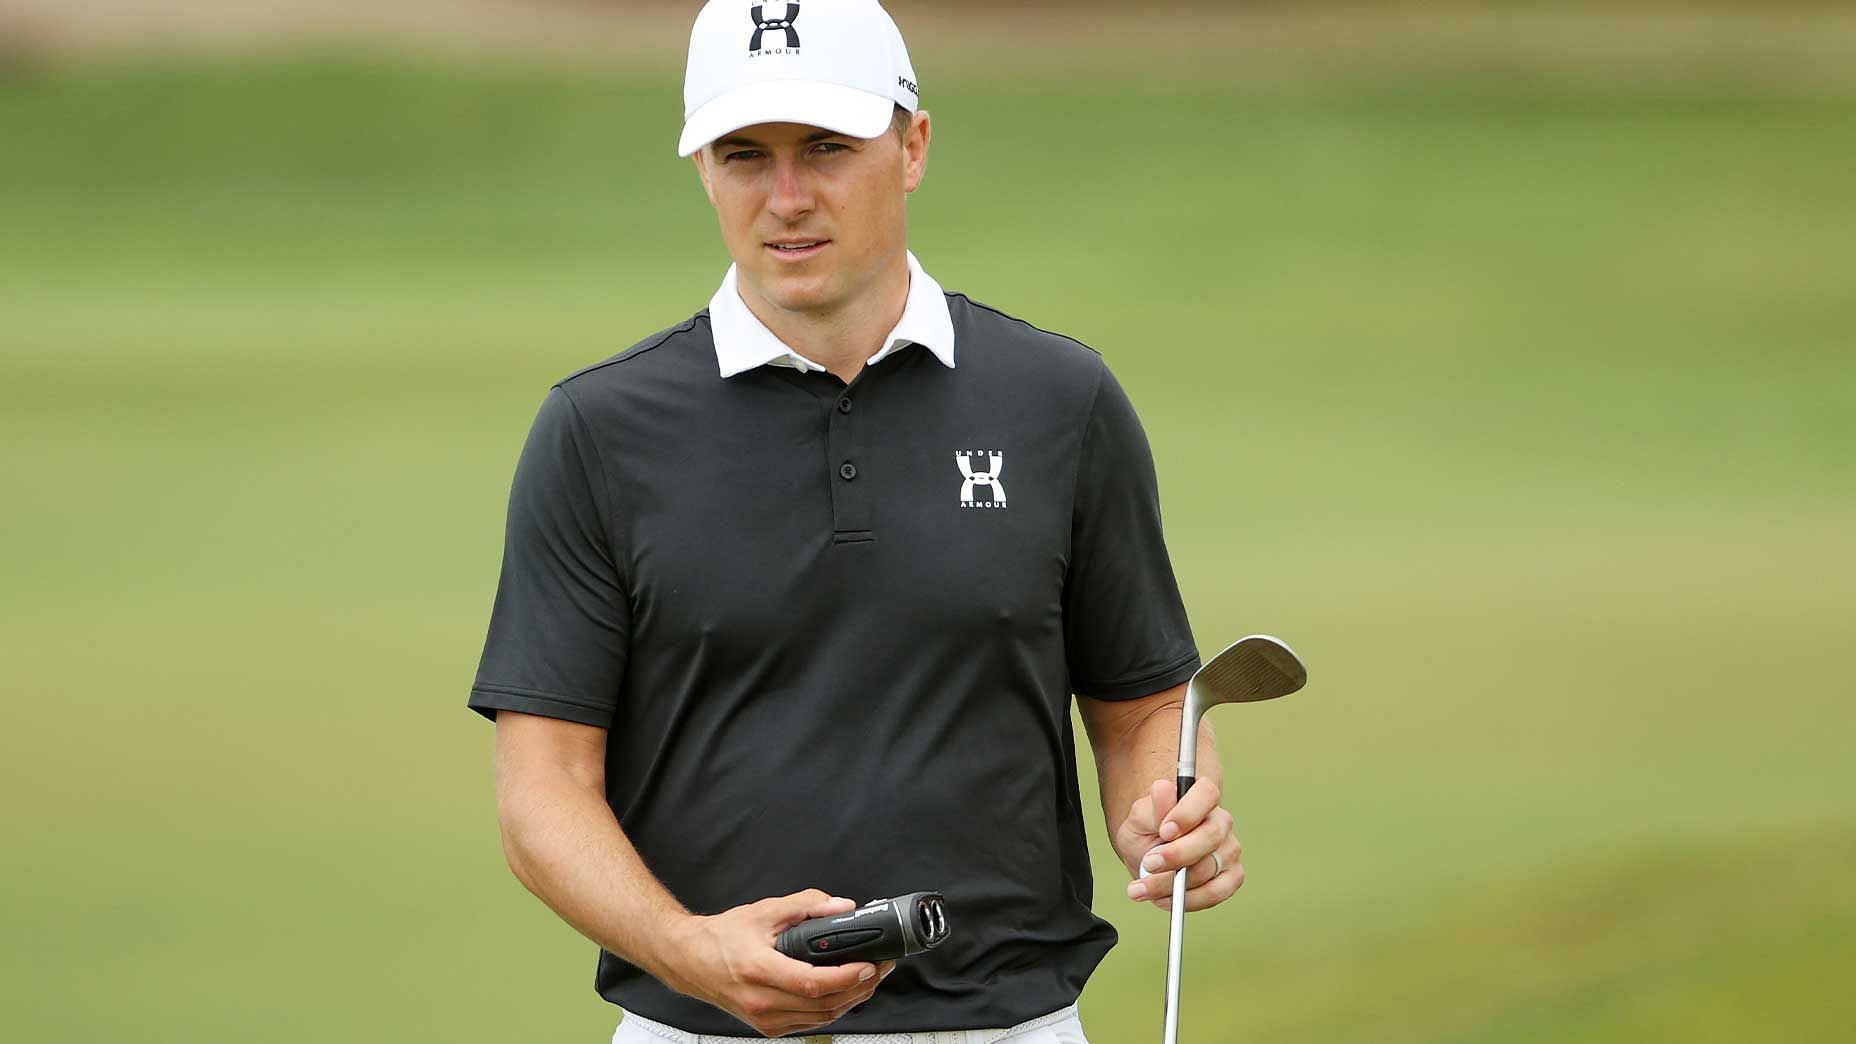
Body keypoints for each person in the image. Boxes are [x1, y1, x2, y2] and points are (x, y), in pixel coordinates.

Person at [467, 2, 1244, 1041]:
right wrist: (691, 951)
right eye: (745, 155)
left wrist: (1161, 816)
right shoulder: (599, 432)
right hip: (702, 1031)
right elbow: (541, 795)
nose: (786, 198)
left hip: (1006, 1025)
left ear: (911, 144)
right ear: (701, 166)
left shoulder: (1057, 401)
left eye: (826, 148)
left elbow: (1142, 706)